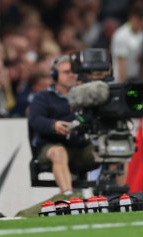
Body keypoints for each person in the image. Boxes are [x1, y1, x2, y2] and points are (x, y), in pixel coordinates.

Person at [28, 55, 95, 195]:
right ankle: (68, 195)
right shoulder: (43, 97)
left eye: (74, 72)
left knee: (110, 150)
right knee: (59, 152)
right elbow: (35, 120)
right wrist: (53, 125)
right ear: (55, 75)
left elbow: (92, 119)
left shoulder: (85, 97)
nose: (71, 75)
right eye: (66, 72)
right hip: (50, 145)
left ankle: (116, 194)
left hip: (80, 146)